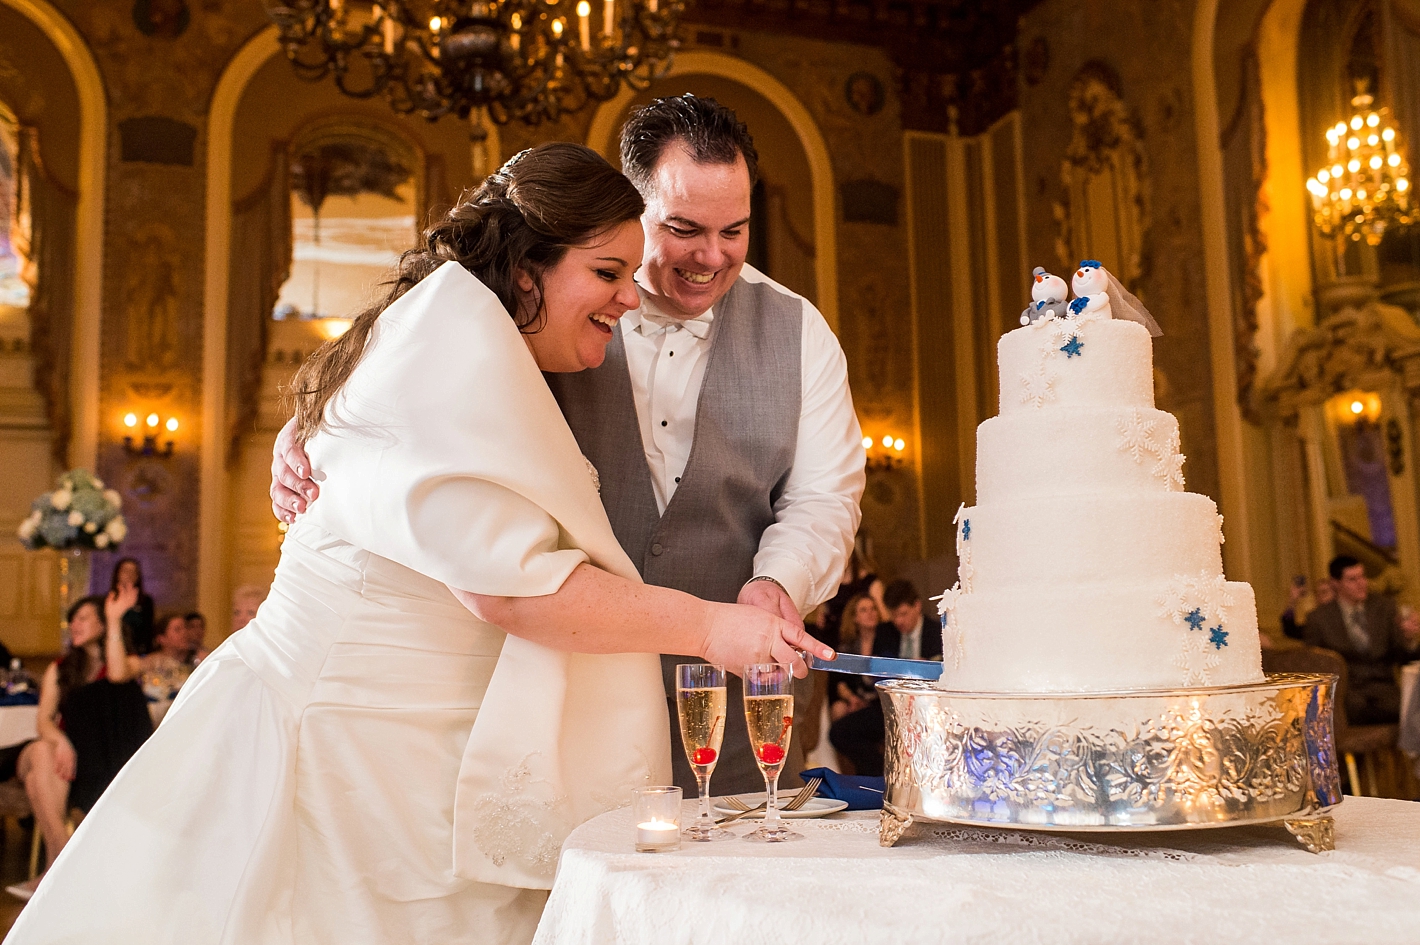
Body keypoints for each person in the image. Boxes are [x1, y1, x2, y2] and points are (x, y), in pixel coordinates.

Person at [8, 144, 830, 944]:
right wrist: (713, 628)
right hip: (344, 752)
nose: (627, 301)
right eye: (607, 273)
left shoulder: (463, 328)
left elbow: (822, 495)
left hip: (421, 749)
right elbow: (509, 585)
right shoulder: (454, 342)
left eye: (734, 230)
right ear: (524, 268)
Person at [272, 96, 865, 796]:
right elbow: (426, 421)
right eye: (682, 228)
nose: (712, 255)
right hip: (551, 718)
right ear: (632, 209)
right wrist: (313, 428)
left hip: (735, 717)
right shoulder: (534, 316)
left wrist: (777, 584)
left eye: (734, 230)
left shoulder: (801, 334)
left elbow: (824, 496)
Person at [6, 590, 150, 901]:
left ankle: (53, 867)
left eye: (83, 618)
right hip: (56, 753)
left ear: (102, 625)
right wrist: (62, 742)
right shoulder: (60, 668)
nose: (74, 624)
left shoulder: (128, 662)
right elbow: (44, 721)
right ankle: (63, 856)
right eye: (72, 620)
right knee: (44, 751)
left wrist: (114, 619)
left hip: (83, 767)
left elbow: (116, 674)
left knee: (39, 773)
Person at [1303, 555, 1420, 725]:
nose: (1362, 583)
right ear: (1335, 583)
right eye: (1352, 579)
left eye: (1362, 577)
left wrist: (1409, 639)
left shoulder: (1383, 607)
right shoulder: (1319, 618)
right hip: (1346, 694)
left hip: (1385, 688)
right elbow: (1313, 663)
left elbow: (1403, 656)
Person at [874, 579, 942, 661]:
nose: (898, 621)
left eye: (903, 614)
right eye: (893, 615)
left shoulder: (938, 633)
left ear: (917, 606)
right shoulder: (884, 633)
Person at [107, 557, 155, 655]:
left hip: (138, 653)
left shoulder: (146, 601)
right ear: (117, 574)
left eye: (134, 571)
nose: (129, 575)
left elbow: (148, 632)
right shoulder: (109, 600)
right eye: (126, 571)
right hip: (114, 650)